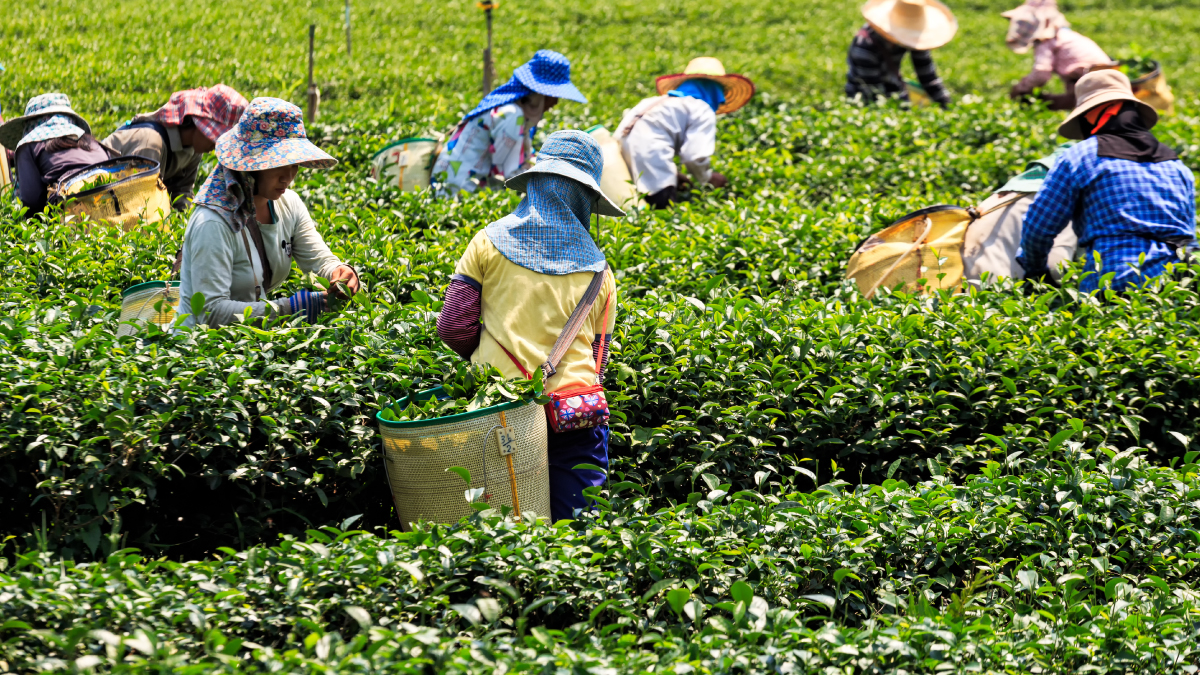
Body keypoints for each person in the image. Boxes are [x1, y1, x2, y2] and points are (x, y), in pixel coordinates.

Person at [436, 130, 624, 521]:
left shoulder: (486, 243)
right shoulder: (601, 273)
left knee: (498, 526)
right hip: (574, 414)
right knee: (577, 534)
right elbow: (598, 360)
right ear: (585, 198)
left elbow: (454, 326)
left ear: (535, 183)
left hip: (497, 409)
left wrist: (493, 356)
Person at [178, 98, 360, 328]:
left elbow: (320, 261)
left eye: (294, 164)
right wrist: (287, 309)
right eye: (277, 165)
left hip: (252, 341)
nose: (289, 176)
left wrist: (340, 272)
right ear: (249, 164)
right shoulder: (213, 222)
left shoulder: (288, 204)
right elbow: (211, 313)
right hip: (199, 350)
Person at [1017, 70, 1195, 293]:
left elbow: (1039, 228)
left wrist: (1035, 272)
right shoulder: (1177, 165)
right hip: (1178, 285)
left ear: (1091, 115)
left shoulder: (1080, 157)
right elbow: (1190, 240)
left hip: (1115, 280)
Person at [432, 50, 586, 197]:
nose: (556, 102)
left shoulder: (513, 111)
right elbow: (507, 175)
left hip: (451, 187)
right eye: (554, 95)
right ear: (539, 94)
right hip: (458, 193)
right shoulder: (511, 115)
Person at [617, 57, 754, 209]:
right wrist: (707, 178)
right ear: (715, 92)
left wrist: (673, 175)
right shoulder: (701, 108)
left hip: (621, 165)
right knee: (662, 213)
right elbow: (694, 156)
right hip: (653, 164)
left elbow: (635, 140)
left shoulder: (651, 102)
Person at [104, 85, 249, 210]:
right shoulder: (150, 144)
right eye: (216, 138)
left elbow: (182, 194)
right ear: (198, 123)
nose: (216, 146)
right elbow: (140, 205)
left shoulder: (193, 149)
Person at [963, 144, 1078, 282]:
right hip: (989, 291)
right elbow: (1057, 266)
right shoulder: (1054, 199)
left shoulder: (1007, 193)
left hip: (953, 285)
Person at [0, 93, 110, 216]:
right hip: (111, 203)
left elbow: (32, 201)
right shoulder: (94, 143)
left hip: (71, 214)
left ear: (28, 124)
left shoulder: (28, 146)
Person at [845, 0, 957, 108]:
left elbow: (927, 75)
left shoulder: (912, 38)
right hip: (863, 95)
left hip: (895, 87)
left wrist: (946, 104)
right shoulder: (864, 49)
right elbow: (875, 94)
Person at [1003, 0, 1110, 111]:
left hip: (1090, 80)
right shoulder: (1068, 36)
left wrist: (1023, 88)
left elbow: (1041, 74)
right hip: (1106, 77)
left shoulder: (1046, 41)